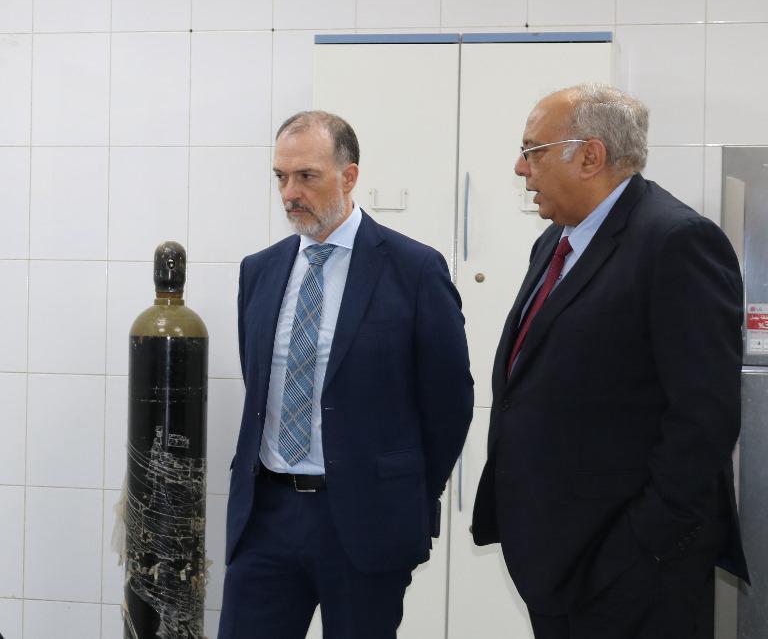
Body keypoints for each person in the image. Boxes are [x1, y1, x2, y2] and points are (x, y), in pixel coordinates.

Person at [471, 83, 748, 639]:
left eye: (532, 151)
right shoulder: (555, 243)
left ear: (590, 156)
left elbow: (704, 417)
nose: (520, 169)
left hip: (633, 569)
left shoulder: (676, 241)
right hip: (557, 557)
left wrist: (642, 543)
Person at [218, 111, 473, 638]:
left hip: (365, 519)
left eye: (306, 176)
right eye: (281, 177)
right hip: (266, 516)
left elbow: (450, 402)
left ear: (349, 176)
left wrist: (405, 492)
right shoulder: (259, 271)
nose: (290, 193)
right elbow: (258, 384)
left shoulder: (413, 269)